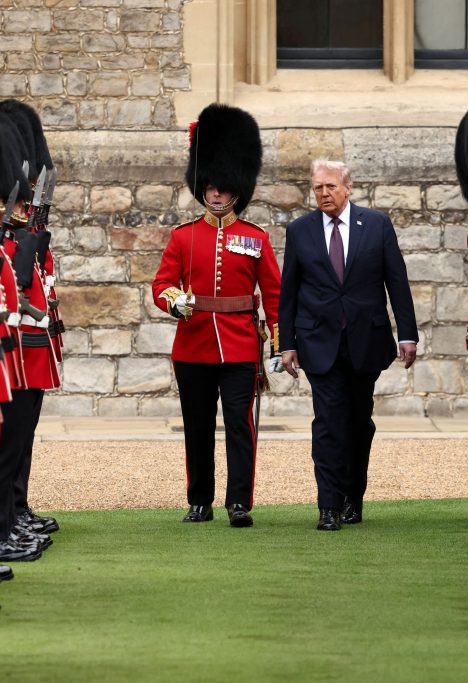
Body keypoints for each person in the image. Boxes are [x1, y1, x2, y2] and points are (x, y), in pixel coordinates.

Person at [152, 103, 281, 528]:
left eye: (223, 188)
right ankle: (199, 500)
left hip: (242, 346)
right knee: (197, 429)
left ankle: (239, 501)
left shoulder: (255, 238)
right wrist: (175, 301)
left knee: (240, 429)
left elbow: (274, 293)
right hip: (193, 348)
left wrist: (280, 341)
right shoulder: (183, 237)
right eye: (210, 187)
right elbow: (161, 284)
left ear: (236, 190)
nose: (216, 194)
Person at [278, 160, 418, 531]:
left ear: (348, 187)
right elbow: (288, 293)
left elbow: (397, 282)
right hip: (318, 341)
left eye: (330, 187)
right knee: (327, 422)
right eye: (317, 187)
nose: (323, 193)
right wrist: (286, 343)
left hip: (365, 340)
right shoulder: (300, 231)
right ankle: (327, 505)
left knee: (358, 423)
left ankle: (352, 498)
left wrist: (407, 334)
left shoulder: (376, 225)